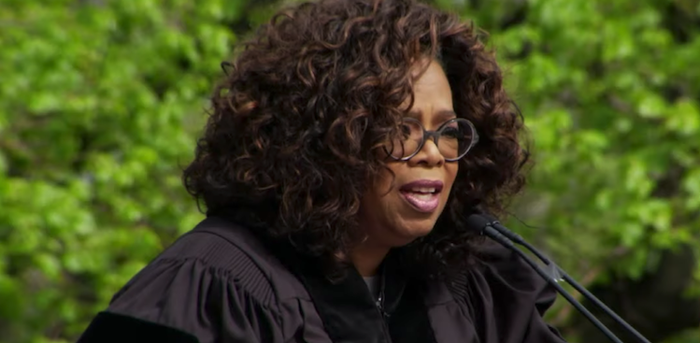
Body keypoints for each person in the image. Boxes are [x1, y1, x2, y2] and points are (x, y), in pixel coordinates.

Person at [78, 0, 567, 342]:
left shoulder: (469, 286)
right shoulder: (213, 286)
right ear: (322, 137)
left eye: (447, 129)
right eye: (399, 126)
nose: (432, 153)